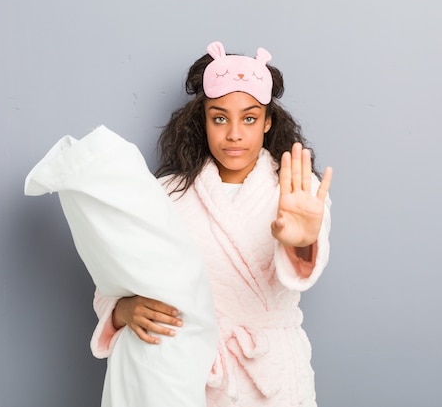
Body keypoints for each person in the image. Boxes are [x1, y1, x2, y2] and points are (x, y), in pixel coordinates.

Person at [91, 41, 333, 406]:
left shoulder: (296, 189)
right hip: (187, 372)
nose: (234, 133)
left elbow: (303, 268)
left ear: (268, 121)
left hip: (273, 375)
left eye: (249, 118)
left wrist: (302, 244)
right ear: (202, 121)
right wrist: (121, 309)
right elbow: (116, 275)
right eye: (220, 118)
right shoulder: (165, 195)